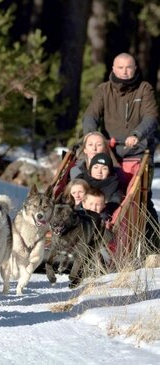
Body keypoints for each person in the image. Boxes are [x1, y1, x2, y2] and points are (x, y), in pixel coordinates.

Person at [82, 52, 159, 245]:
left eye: (129, 67)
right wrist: (91, 135)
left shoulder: (144, 89)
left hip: (136, 151)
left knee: (141, 199)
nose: (125, 72)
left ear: (135, 69)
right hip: (109, 153)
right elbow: (91, 115)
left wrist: (137, 135)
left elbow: (151, 117)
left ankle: (153, 243)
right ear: (113, 69)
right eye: (120, 67)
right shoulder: (103, 90)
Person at [77, 152, 123, 221]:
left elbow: (114, 203)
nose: (99, 171)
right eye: (96, 167)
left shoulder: (115, 186)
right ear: (90, 169)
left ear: (109, 171)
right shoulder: (81, 181)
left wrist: (103, 214)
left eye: (104, 168)